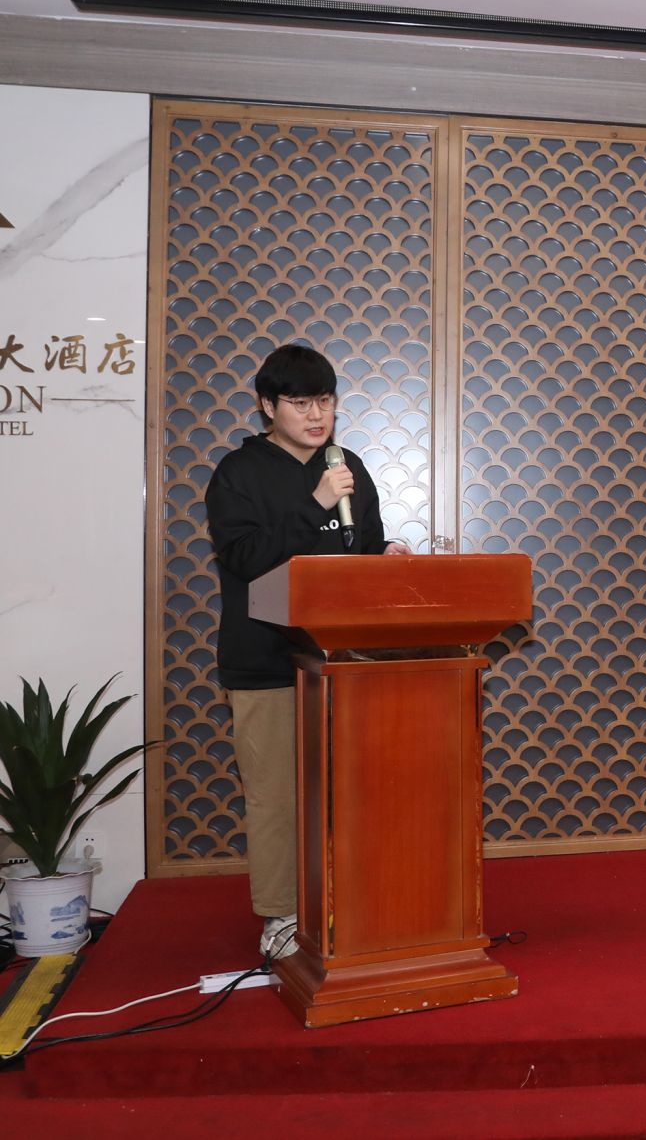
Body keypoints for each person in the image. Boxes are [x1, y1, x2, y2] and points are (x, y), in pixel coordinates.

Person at [203, 343, 407, 960]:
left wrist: (384, 556)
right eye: (299, 403)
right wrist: (314, 504)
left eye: (324, 401)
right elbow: (244, 558)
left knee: (354, 789)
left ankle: (355, 901)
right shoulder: (238, 472)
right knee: (276, 797)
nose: (316, 415)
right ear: (268, 406)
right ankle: (282, 917)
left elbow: (360, 549)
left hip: (344, 659)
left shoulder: (348, 466)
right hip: (267, 660)